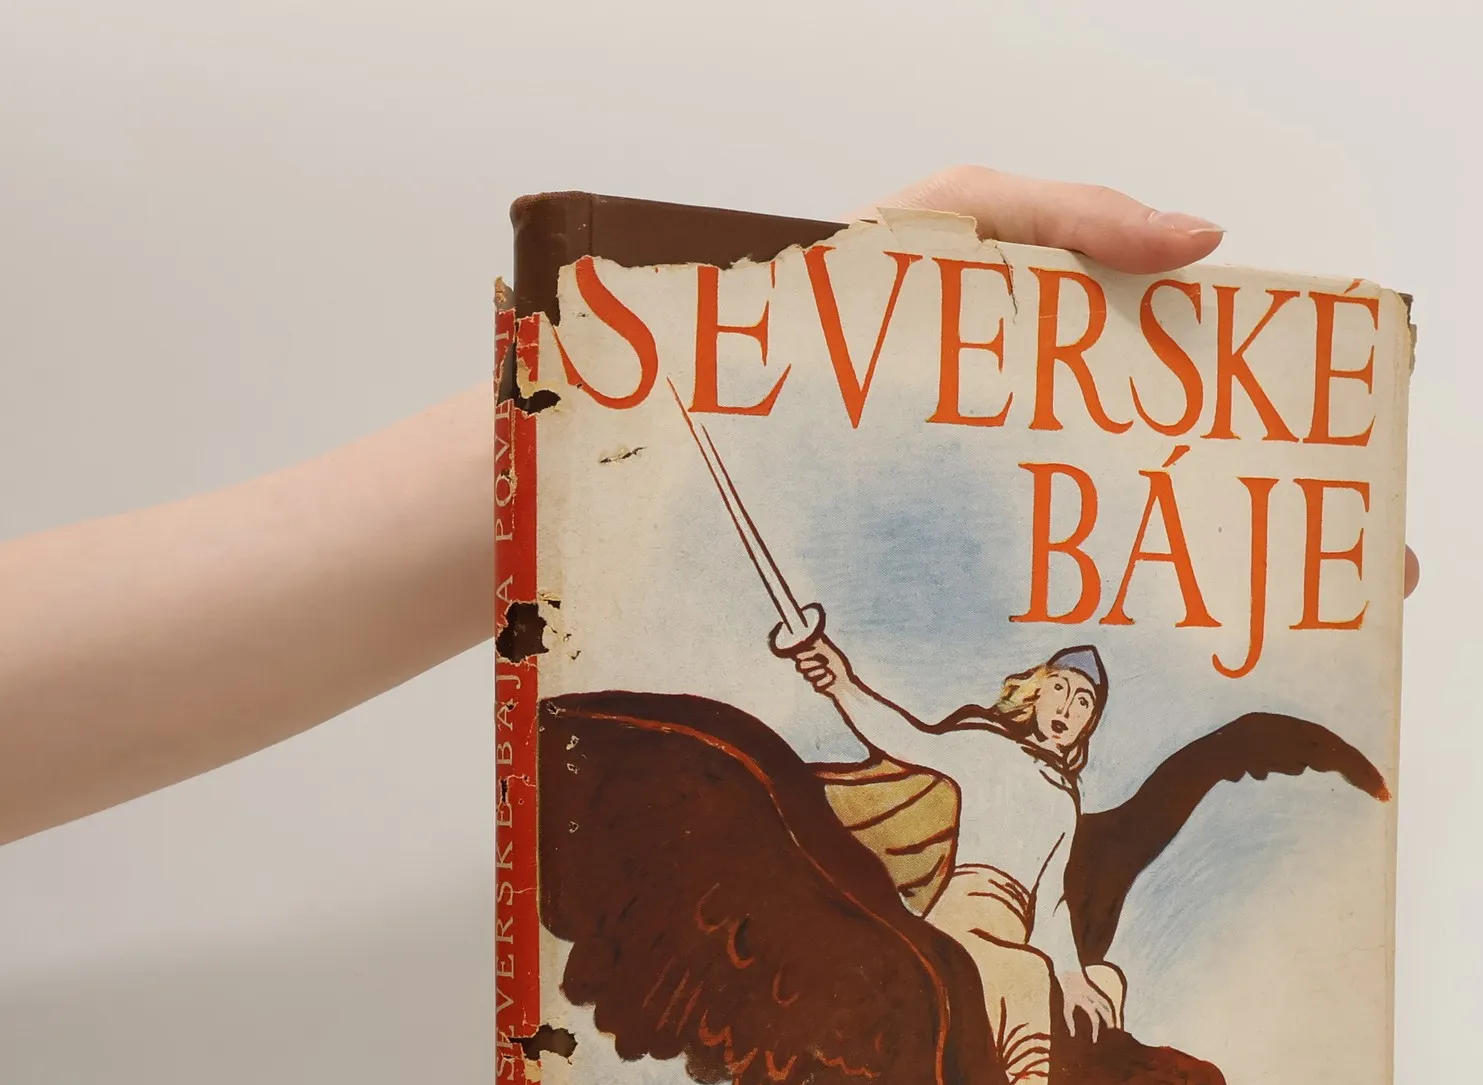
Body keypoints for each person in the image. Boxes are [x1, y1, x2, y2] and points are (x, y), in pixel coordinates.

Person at [0, 166, 1412, 848]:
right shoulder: (974, 756)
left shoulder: (1059, 803)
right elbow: (893, 727)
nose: (1058, 708)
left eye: (1074, 708)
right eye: (1055, 691)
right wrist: (822, 659)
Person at [796, 626, 1123, 1085]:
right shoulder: (987, 747)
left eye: (1083, 702)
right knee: (1027, 973)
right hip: (963, 926)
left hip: (1016, 931)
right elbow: (905, 737)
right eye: (1060, 689)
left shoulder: (1065, 800)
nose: (1068, 708)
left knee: (1106, 982)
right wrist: (841, 681)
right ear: (1035, 692)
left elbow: (1050, 899)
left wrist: (1075, 976)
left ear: (1088, 723)